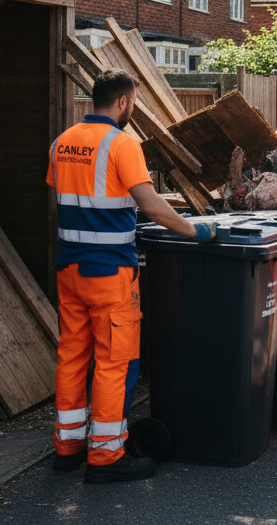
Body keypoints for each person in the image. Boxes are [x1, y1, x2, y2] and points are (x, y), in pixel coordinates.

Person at [46, 68, 213, 484]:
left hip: (69, 269)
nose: (132, 110)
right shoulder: (122, 144)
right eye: (133, 103)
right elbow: (152, 206)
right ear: (122, 101)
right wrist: (195, 230)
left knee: (71, 356)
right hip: (109, 274)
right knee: (113, 362)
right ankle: (105, 456)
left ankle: (68, 447)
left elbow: (61, 203)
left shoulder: (61, 142)